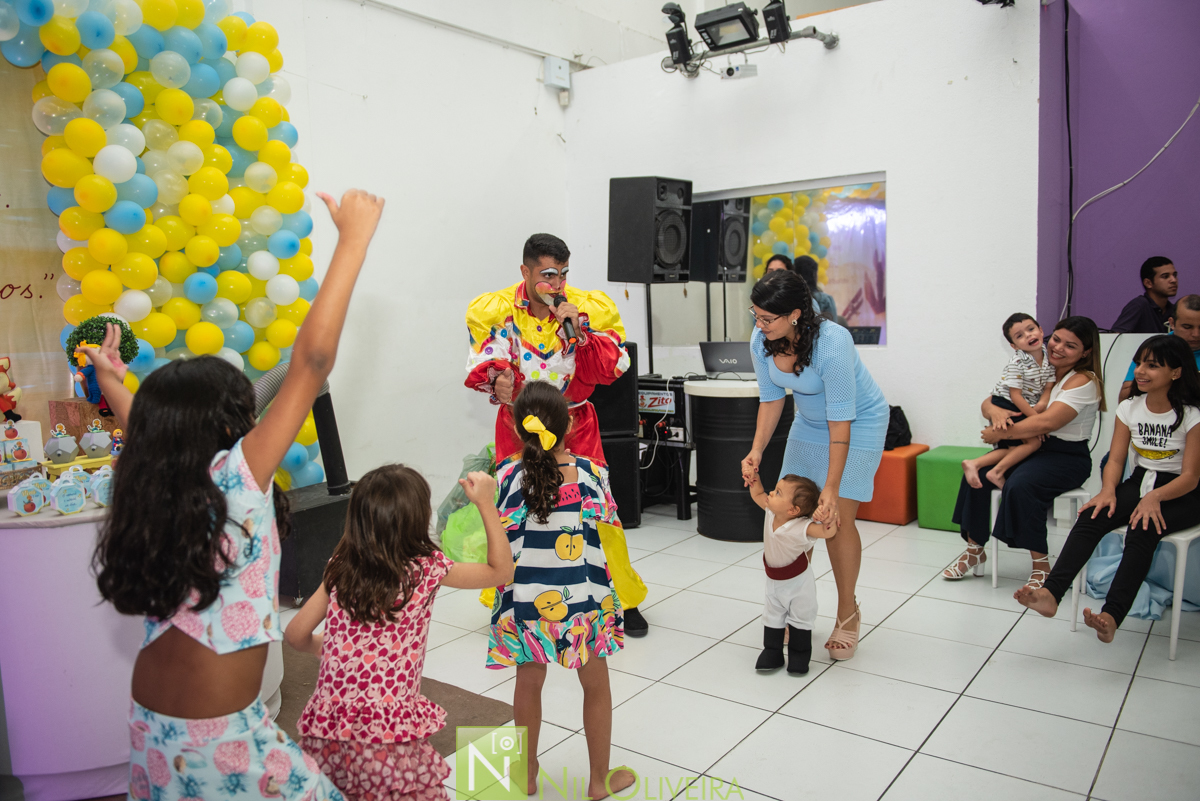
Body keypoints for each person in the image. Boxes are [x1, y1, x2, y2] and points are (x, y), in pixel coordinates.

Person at [87, 189, 385, 800]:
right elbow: (311, 361)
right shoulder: (233, 477)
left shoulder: (156, 475)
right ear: (227, 427)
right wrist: (353, 239)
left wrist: (112, 380)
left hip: (150, 724)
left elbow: (145, 425)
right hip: (222, 735)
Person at [285, 464, 513, 801]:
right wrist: (486, 503)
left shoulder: (340, 563)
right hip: (386, 731)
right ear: (418, 519)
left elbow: (295, 634)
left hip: (328, 726)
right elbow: (502, 570)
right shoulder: (427, 569)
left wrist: (328, 646)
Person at [464, 233, 649, 636]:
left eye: (563, 274)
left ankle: (620, 597)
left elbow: (609, 369)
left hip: (576, 424)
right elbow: (488, 361)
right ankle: (508, 592)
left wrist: (579, 331)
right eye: (548, 274)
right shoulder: (495, 310)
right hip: (518, 427)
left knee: (598, 513)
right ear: (525, 272)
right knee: (514, 514)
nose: (557, 284)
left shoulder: (586, 308)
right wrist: (497, 380)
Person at [486, 382, 635, 800]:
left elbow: (497, 535)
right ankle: (599, 780)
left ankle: (526, 776)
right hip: (582, 600)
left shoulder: (506, 476)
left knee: (528, 683)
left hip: (525, 601)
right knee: (596, 686)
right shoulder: (590, 474)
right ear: (570, 423)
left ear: (517, 430)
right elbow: (609, 524)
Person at [741, 270, 890, 661]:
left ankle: (848, 612)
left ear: (793, 314)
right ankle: (795, 610)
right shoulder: (762, 339)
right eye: (755, 315)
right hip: (808, 425)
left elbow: (842, 420)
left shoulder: (832, 342)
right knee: (788, 519)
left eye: (767, 318)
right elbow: (772, 400)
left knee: (835, 518)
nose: (758, 325)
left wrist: (830, 487)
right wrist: (756, 450)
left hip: (858, 425)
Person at [1017, 335, 1200, 641]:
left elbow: (1192, 476)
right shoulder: (1129, 407)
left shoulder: (1192, 414)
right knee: (1090, 517)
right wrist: (1107, 490)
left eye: (1152, 365)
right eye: (1139, 363)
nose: (1140, 371)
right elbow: (1115, 459)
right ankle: (1051, 594)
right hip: (1140, 480)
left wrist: (1154, 497)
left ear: (1176, 373)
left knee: (1143, 528)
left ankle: (1111, 616)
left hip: (1181, 491)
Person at [944, 317, 1105, 588]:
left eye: (1070, 345)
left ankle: (1041, 564)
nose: (1058, 348)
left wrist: (1000, 433)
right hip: (1034, 448)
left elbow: (1046, 423)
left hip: (1066, 457)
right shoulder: (1040, 367)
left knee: (1022, 484)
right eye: (1057, 339)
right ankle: (974, 551)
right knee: (979, 475)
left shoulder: (1083, 381)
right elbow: (996, 398)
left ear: (1086, 352)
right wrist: (994, 411)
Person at [744, 472, 831, 674]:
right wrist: (754, 477)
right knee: (772, 616)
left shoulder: (802, 527)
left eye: (778, 493)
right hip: (774, 581)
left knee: (801, 618)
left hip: (799, 585)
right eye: (775, 489)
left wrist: (827, 518)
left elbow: (827, 532)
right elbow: (758, 494)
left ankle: (799, 656)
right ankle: (772, 652)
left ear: (793, 510)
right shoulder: (771, 513)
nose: (771, 493)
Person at [962, 313, 1056, 490]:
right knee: (1033, 442)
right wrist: (1035, 420)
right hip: (1006, 403)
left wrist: (1042, 405)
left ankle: (974, 464)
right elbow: (1016, 396)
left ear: (1041, 330)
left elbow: (1049, 387)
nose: (1028, 335)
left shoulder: (1048, 358)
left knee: (1016, 449)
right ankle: (996, 472)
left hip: (1023, 405)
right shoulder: (1018, 362)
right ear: (1013, 346)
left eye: (1031, 329)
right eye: (1020, 335)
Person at [1118, 294, 1200, 403]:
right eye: (1187, 327)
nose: (1196, 334)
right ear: (1172, 323)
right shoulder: (1154, 349)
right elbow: (1126, 398)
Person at [1111, 256, 1177, 334]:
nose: (1174, 280)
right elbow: (1115, 336)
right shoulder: (1139, 306)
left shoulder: (1175, 310)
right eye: (1165, 276)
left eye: (1175, 275)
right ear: (1148, 283)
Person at [766, 254, 838, 321]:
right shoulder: (764, 299)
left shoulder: (819, 300)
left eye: (780, 271)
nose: (774, 275)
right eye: (770, 271)